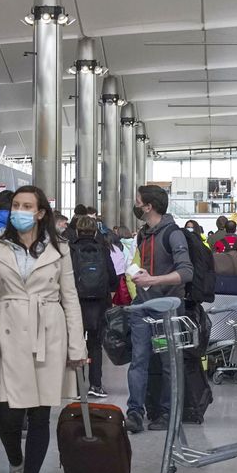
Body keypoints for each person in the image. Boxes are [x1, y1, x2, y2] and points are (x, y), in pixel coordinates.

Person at [0, 186, 87, 473]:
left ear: (41, 213)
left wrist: (76, 345)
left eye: (28, 206)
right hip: (10, 333)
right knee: (8, 418)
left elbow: (70, 298)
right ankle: (15, 462)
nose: (20, 211)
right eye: (16, 205)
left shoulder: (60, 248)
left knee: (40, 416)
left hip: (48, 334)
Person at [124, 185, 194, 433]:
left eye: (138, 201)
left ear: (148, 206)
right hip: (142, 306)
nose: (136, 205)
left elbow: (186, 272)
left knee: (167, 362)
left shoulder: (173, 234)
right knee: (138, 360)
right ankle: (135, 412)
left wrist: (152, 280)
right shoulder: (143, 234)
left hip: (167, 310)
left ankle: (166, 412)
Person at [68, 216, 118, 398]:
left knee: (76, 342)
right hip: (99, 302)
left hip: (76, 302)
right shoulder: (103, 249)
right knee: (95, 344)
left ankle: (77, 387)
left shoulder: (70, 249)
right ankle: (95, 385)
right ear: (95, 231)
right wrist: (109, 292)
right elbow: (112, 276)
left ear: (77, 231)